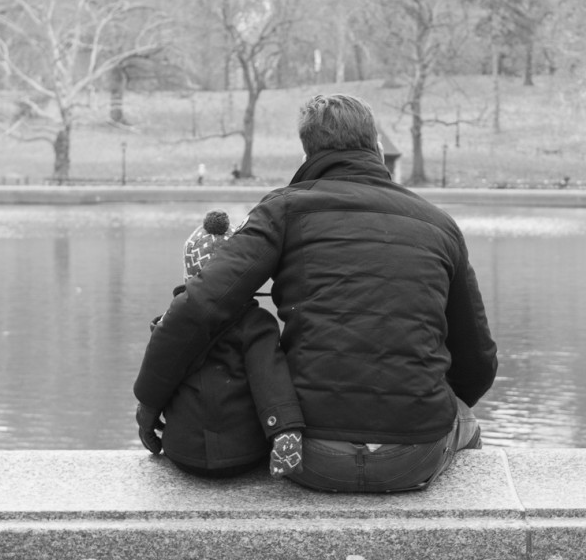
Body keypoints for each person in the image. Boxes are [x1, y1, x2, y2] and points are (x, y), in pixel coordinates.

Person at [135, 94, 497, 492]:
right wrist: (416, 405)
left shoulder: (284, 211)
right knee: (464, 419)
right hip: (413, 456)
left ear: (308, 150)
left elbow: (199, 305)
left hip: (308, 455)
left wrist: (150, 401)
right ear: (375, 145)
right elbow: (478, 360)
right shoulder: (439, 225)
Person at [136, 209, 304, 479]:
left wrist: (146, 417)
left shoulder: (172, 321)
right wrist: (285, 429)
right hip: (245, 452)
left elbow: (159, 375)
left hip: (183, 451)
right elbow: (270, 379)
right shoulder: (256, 323)